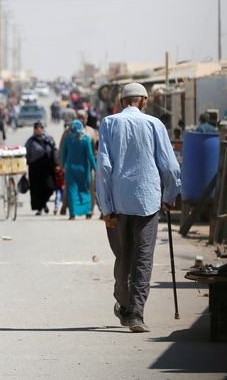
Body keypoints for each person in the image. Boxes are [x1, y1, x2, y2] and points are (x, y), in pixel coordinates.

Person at [96, 82, 181, 333]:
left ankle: (123, 302)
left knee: (124, 255)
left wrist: (106, 207)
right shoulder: (155, 124)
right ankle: (135, 314)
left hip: (119, 202)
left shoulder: (109, 124)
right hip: (148, 201)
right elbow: (171, 167)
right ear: (144, 100)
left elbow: (103, 167)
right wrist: (170, 195)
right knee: (143, 258)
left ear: (123, 102)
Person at [61, 120, 97, 220]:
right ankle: (87, 212)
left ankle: (72, 214)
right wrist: (95, 168)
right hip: (84, 169)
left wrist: (62, 165)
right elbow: (90, 155)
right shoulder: (86, 139)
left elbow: (63, 154)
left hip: (71, 168)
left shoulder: (68, 139)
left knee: (72, 190)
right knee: (85, 190)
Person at [25, 120, 59, 215]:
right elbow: (26, 153)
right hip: (35, 168)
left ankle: (44, 203)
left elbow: (54, 151)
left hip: (48, 167)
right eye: (36, 128)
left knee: (50, 187)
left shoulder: (49, 139)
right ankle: (40, 207)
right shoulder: (31, 141)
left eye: (40, 128)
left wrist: (56, 164)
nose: (38, 130)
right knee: (37, 189)